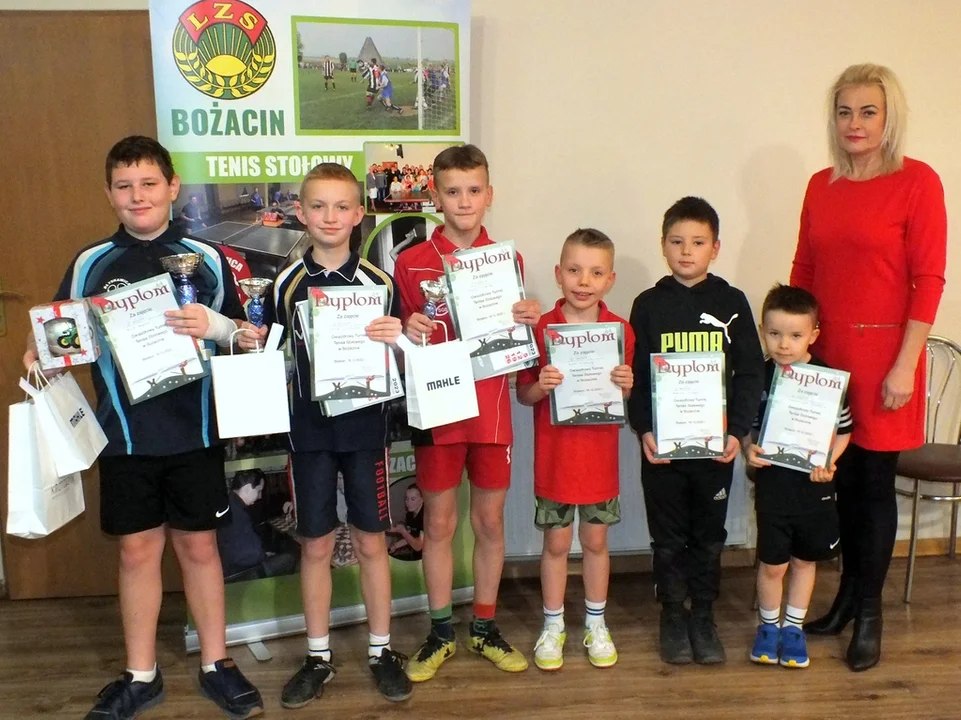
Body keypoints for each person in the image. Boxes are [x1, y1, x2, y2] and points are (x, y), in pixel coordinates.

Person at [22, 135, 264, 720]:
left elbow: (247, 335)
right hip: (124, 434)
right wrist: (40, 351)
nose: (138, 196)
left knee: (200, 547)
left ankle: (216, 662)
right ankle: (141, 674)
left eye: (149, 183)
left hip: (196, 430)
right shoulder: (91, 263)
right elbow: (60, 331)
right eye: (124, 186)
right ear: (109, 194)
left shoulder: (207, 258)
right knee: (136, 552)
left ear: (172, 187)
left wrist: (219, 327)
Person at [790, 63, 947, 672]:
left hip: (887, 362)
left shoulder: (918, 182)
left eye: (868, 111)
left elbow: (928, 279)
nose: (854, 123)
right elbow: (804, 272)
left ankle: (871, 615)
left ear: (889, 117)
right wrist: (794, 355)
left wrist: (906, 365)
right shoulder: (819, 185)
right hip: (827, 362)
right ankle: (847, 599)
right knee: (840, 484)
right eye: (844, 111)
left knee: (875, 487)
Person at [238, 162, 412, 706]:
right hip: (309, 434)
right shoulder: (285, 284)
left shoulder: (381, 283)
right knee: (314, 544)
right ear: (300, 213)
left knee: (371, 541)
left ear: (359, 214)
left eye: (341, 206)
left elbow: (404, 362)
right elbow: (274, 357)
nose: (330, 217)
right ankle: (318, 657)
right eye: (318, 206)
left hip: (365, 431)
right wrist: (251, 346)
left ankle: (381, 650)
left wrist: (399, 340)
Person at [395, 144, 540, 681]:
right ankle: (439, 632)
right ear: (435, 197)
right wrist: (407, 329)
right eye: (452, 191)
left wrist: (527, 317)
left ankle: (483, 626)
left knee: (489, 521)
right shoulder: (410, 261)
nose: (463, 201)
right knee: (438, 521)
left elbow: (514, 335)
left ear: (489, 195)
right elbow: (396, 338)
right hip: (438, 410)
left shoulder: (506, 260)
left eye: (474, 190)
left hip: (491, 411)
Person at [628, 196, 765, 666]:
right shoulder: (648, 305)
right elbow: (636, 376)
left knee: (709, 537)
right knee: (667, 538)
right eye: (677, 241)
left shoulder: (732, 302)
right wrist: (644, 429)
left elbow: (750, 372)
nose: (687, 251)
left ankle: (703, 616)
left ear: (716, 248)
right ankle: (672, 615)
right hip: (663, 450)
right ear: (663, 245)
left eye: (698, 242)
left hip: (715, 448)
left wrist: (737, 432)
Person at [516, 228, 635, 671]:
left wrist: (626, 385)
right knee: (556, 543)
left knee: (596, 542)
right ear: (558, 274)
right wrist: (541, 386)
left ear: (610, 279)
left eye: (596, 272)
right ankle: (553, 625)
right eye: (574, 270)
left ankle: (596, 623)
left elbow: (623, 396)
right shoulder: (540, 328)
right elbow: (523, 394)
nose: (584, 281)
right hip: (555, 461)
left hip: (599, 462)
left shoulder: (620, 331)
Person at [743, 284, 853, 668]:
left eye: (795, 335)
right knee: (773, 564)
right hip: (773, 487)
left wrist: (829, 461)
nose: (784, 344)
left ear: (813, 335)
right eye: (774, 334)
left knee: (805, 561)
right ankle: (768, 627)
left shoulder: (829, 380)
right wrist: (749, 448)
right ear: (762, 331)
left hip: (813, 488)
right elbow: (748, 427)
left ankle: (793, 629)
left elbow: (844, 431)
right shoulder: (757, 377)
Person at [217, 470, 298, 582]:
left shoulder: (231, 503)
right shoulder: (238, 514)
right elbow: (250, 554)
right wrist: (263, 556)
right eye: (259, 491)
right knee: (289, 558)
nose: (260, 496)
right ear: (247, 488)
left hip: (229, 566)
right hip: (241, 573)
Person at [389, 484, 425, 561]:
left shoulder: (426, 517)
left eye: (413, 499)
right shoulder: (409, 515)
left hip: (428, 558)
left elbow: (418, 546)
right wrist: (395, 546)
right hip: (416, 557)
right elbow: (410, 537)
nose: (408, 502)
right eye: (406, 498)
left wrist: (402, 531)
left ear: (422, 499)